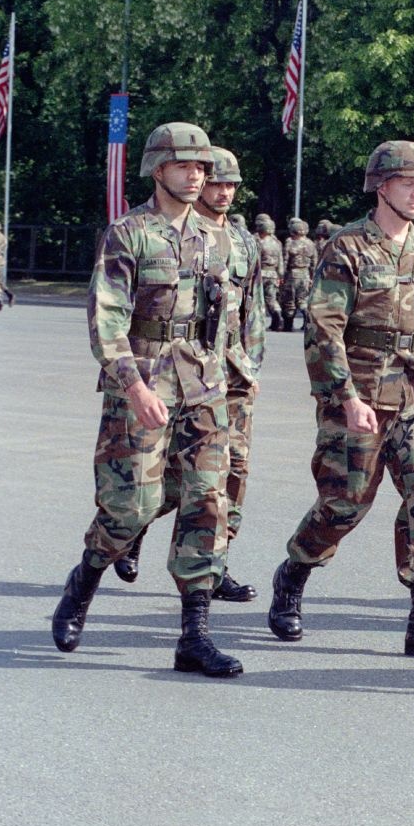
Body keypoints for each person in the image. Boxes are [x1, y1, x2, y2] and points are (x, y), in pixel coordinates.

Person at [266, 140, 414, 663]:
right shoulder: (348, 248)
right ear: (381, 185)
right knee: (345, 505)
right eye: (409, 182)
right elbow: (323, 328)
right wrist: (344, 396)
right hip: (359, 397)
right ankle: (294, 571)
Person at [49, 121, 242, 678]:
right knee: (130, 508)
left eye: (202, 166)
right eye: (184, 165)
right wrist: (132, 387)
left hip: (203, 388)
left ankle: (195, 636)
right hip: (143, 386)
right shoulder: (128, 233)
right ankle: (83, 581)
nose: (196, 174)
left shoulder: (215, 238)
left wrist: (229, 382)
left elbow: (221, 320)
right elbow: (105, 319)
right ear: (158, 169)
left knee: (209, 503)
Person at [113, 149, 266, 601]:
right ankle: (131, 531)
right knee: (174, 479)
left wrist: (251, 365)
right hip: (183, 372)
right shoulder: (175, 238)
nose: (223, 192)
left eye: (231, 185)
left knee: (229, 474)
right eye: (217, 183)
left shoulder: (242, 242)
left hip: (231, 374)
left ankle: (214, 566)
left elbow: (252, 311)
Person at [280, 217, 317, 331]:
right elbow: (314, 262)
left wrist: (281, 276)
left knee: (289, 301)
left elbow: (285, 261)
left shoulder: (291, 243)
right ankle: (308, 318)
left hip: (292, 275)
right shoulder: (311, 244)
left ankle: (288, 326)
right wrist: (312, 277)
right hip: (305, 275)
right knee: (302, 300)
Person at [254, 213, 286, 331]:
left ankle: (259, 322)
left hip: (260, 273)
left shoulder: (258, 241)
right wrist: (280, 275)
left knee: (258, 299)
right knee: (272, 298)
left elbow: (255, 259)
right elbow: (281, 261)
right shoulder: (277, 243)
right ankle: (277, 316)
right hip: (273, 274)